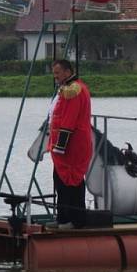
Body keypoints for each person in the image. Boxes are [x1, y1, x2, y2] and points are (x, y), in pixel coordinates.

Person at [46, 59, 93, 230]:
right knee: (60, 180)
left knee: (71, 181)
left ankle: (75, 220)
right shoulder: (68, 89)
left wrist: (60, 145)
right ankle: (63, 218)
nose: (55, 77)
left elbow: (69, 120)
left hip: (72, 145)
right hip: (65, 145)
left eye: (58, 73)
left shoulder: (74, 90)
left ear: (67, 72)